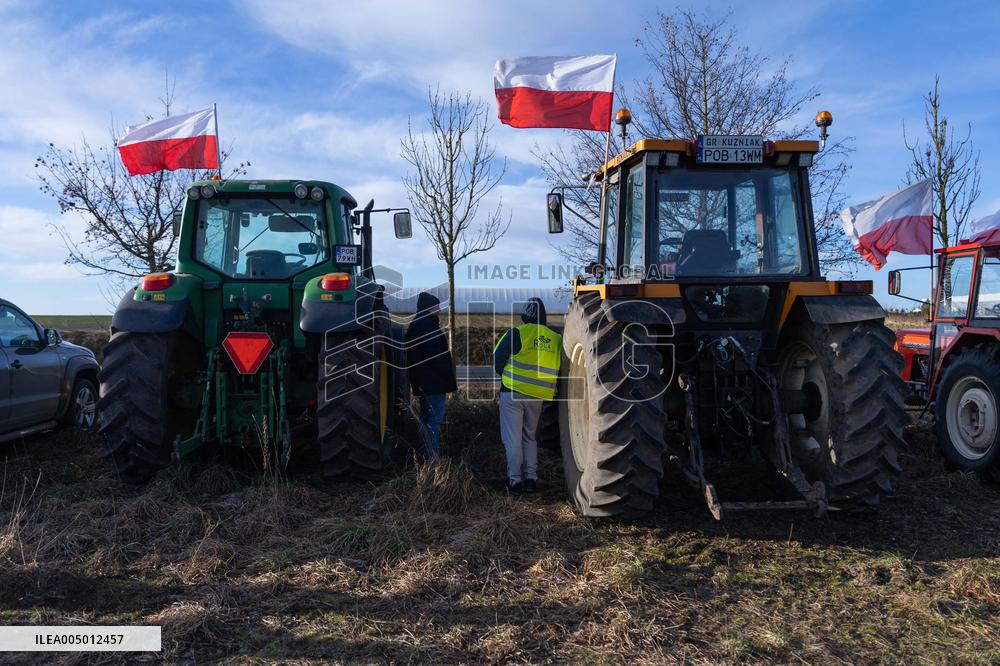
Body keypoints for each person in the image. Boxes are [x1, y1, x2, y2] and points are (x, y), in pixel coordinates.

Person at [492, 297, 562, 493]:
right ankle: (531, 479)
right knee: (530, 438)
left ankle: (514, 481)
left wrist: (506, 376)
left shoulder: (517, 332)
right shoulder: (556, 338)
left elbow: (497, 359)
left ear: (524, 316)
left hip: (513, 393)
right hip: (538, 397)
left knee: (512, 439)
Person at [404, 291, 457, 459]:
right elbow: (437, 358)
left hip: (424, 383)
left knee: (426, 422)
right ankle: (433, 460)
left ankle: (423, 456)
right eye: (436, 307)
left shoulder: (417, 324)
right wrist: (448, 376)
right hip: (434, 384)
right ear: (429, 308)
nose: (439, 310)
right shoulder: (428, 327)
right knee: (433, 423)